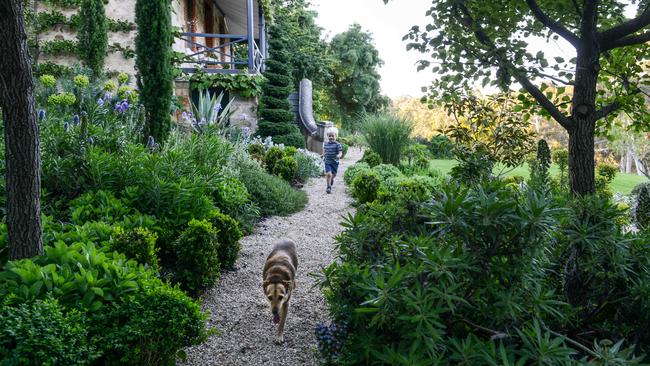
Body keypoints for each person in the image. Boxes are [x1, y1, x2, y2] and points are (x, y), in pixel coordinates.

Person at [322, 128, 343, 194]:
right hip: (327, 162)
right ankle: (328, 187)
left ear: (336, 136)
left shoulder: (338, 144)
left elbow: (340, 152)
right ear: (327, 136)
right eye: (329, 136)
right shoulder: (325, 144)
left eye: (332, 136)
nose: (331, 137)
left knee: (334, 175)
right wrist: (322, 155)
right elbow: (325, 151)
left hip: (335, 163)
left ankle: (332, 179)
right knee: (328, 174)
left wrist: (339, 155)